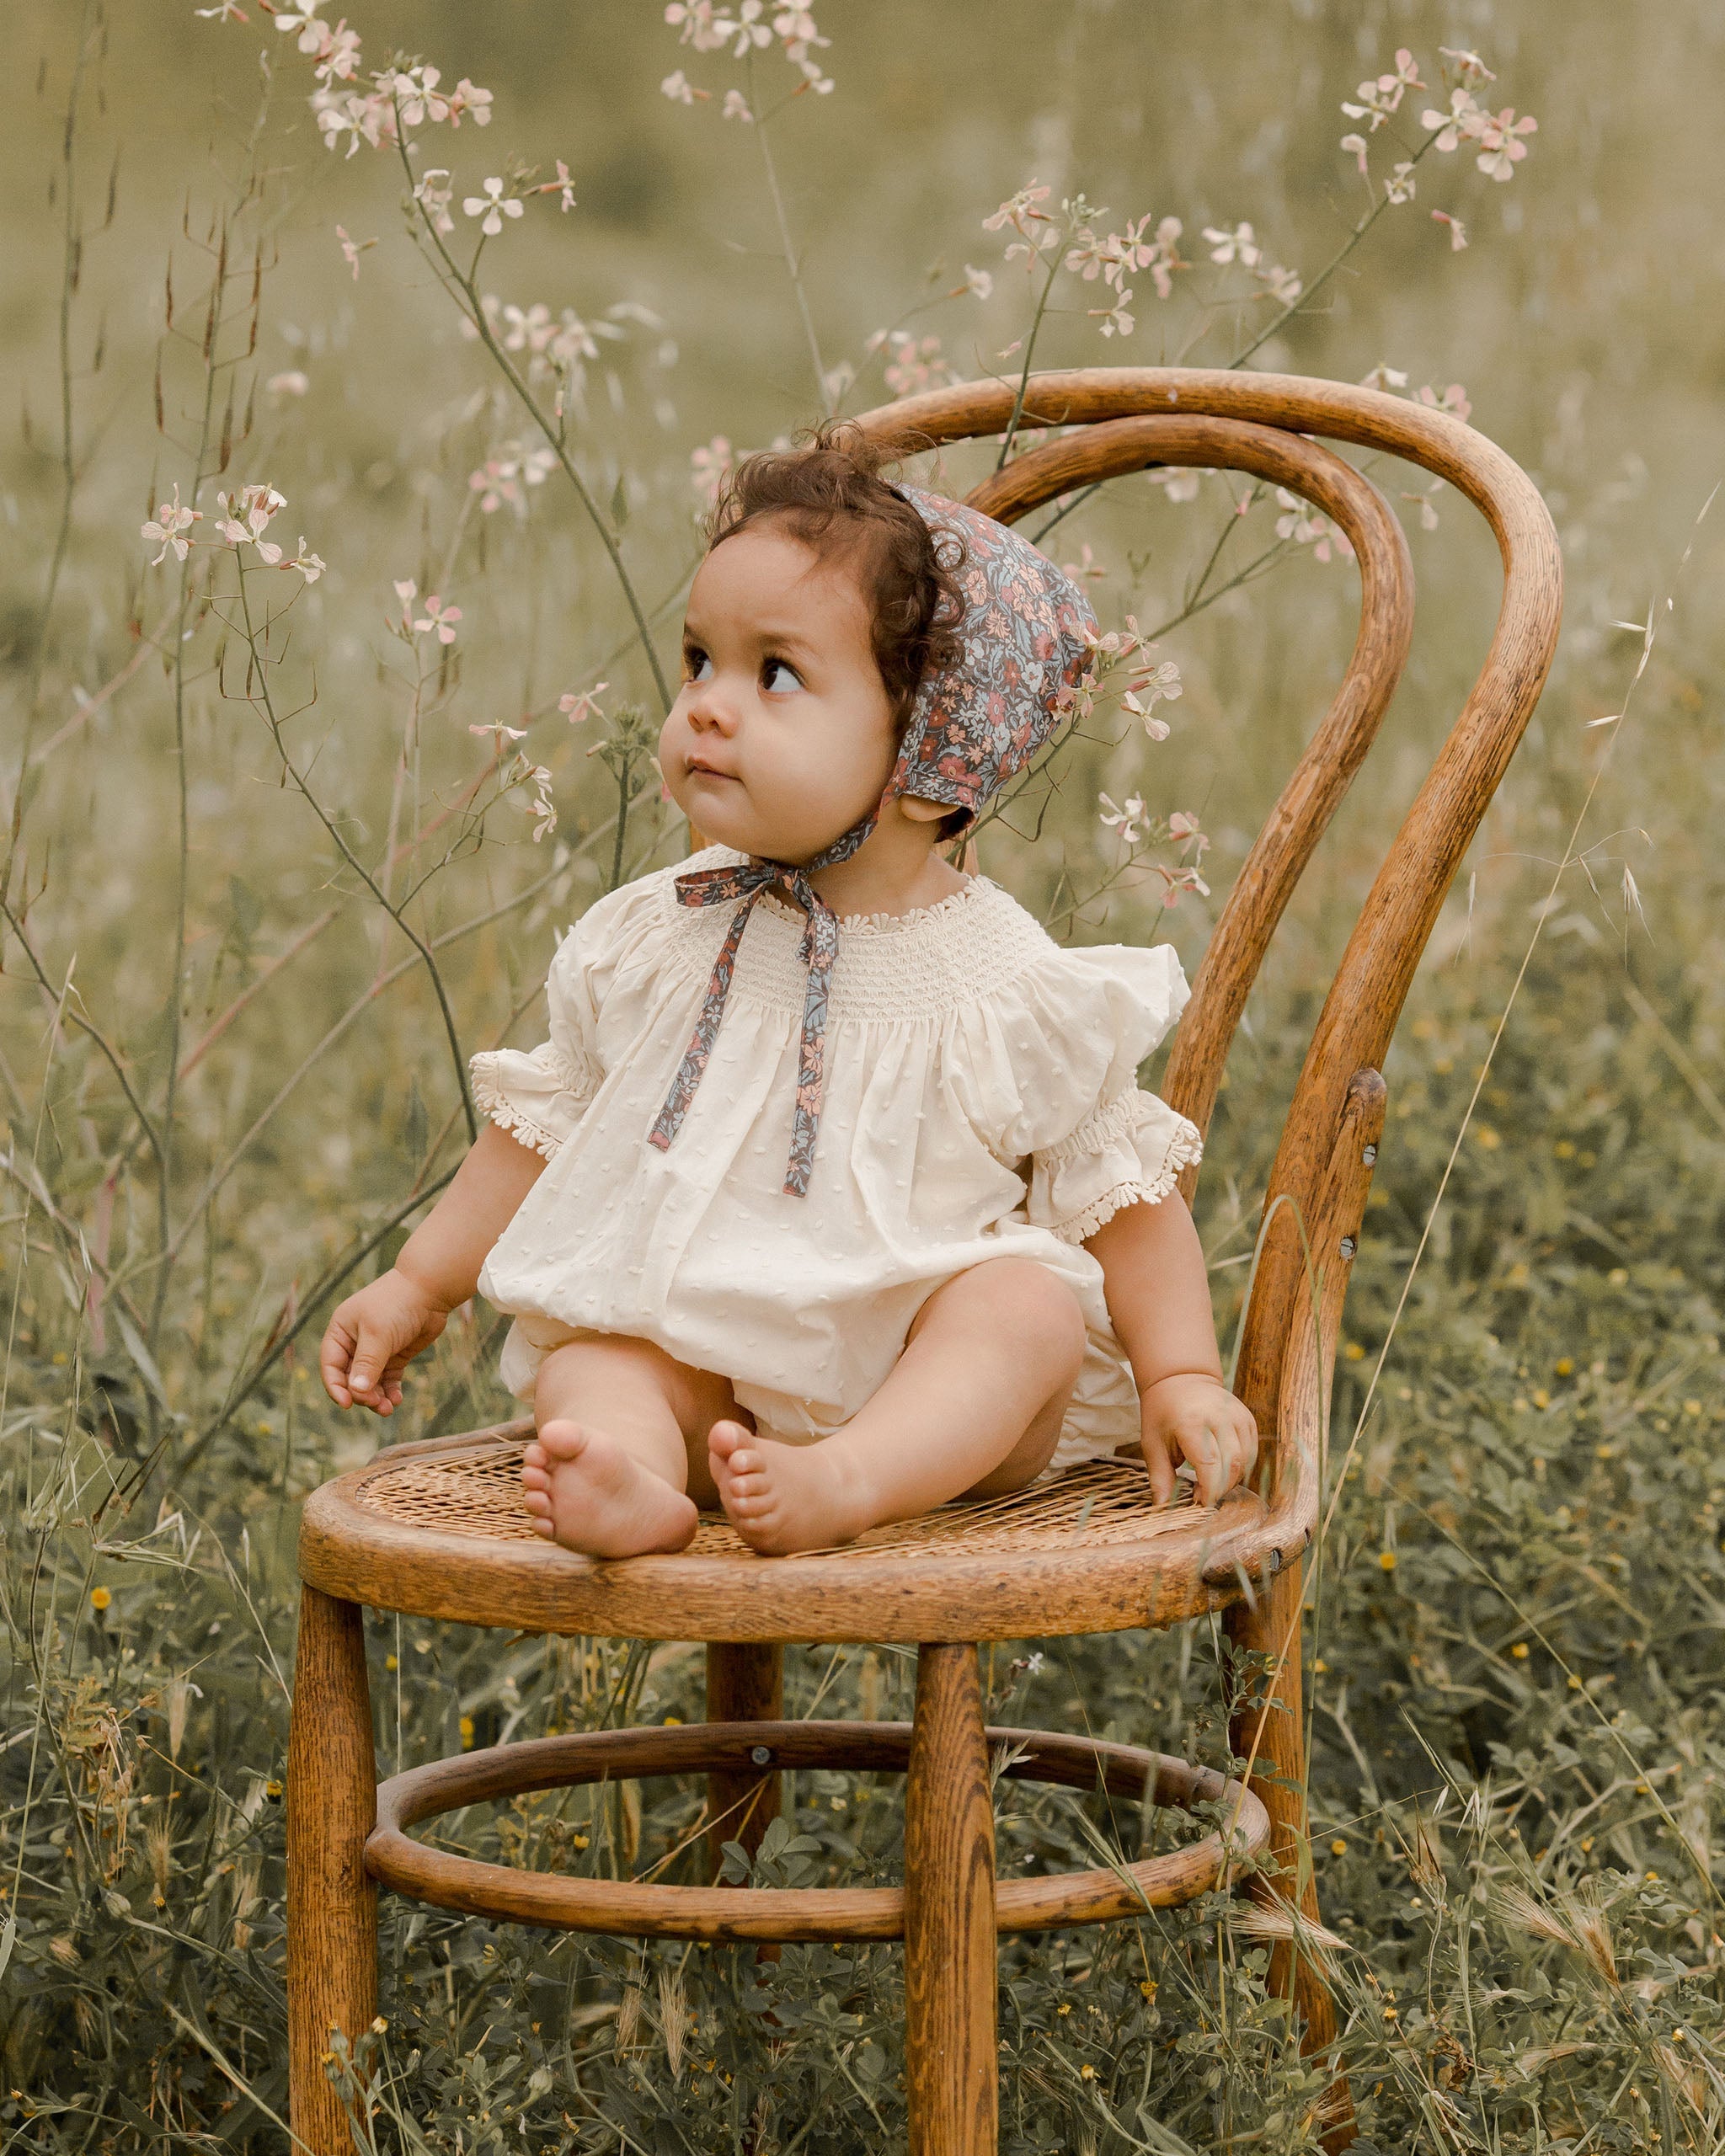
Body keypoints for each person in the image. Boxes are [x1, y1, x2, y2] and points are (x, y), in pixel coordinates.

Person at [319, 428, 1258, 1558]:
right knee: (598, 1357)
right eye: (697, 661)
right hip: (708, 1376)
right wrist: (420, 1283)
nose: (709, 706)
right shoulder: (659, 932)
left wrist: (1180, 1374)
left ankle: (846, 1479)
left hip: (927, 1399)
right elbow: (545, 1125)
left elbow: (1122, 1194)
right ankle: (629, 1473)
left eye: (774, 674)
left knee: (1026, 1310)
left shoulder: (998, 980)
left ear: (930, 761)